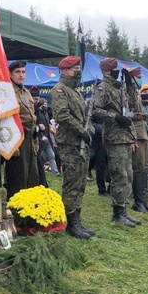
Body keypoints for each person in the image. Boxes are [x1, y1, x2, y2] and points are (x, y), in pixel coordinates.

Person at [51, 56, 95, 239]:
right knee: (72, 182)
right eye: (75, 68)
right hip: (69, 142)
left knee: (80, 181)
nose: (78, 71)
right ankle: (71, 223)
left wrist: (88, 129)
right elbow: (62, 116)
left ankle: (77, 219)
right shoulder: (60, 90)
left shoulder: (75, 91)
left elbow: (82, 116)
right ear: (65, 70)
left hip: (80, 143)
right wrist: (80, 130)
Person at [92, 57, 139, 227]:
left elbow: (134, 105)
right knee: (119, 174)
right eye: (114, 69)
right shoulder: (103, 88)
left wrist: (130, 84)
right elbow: (95, 110)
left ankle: (123, 209)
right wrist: (115, 117)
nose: (117, 71)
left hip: (125, 136)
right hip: (114, 137)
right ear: (106, 71)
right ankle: (117, 213)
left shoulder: (119, 88)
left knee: (128, 174)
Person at [4, 61, 40, 201]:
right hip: (17, 138)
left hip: (30, 136)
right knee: (18, 176)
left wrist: (35, 140)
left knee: (32, 176)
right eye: (17, 72)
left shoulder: (26, 92)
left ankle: (29, 209)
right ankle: (16, 211)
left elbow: (33, 117)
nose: (21, 75)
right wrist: (12, 144)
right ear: (10, 74)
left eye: (23, 72)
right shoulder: (8, 92)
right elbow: (6, 119)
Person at [127, 67, 148, 213]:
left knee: (144, 167)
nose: (140, 81)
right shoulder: (127, 93)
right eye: (137, 78)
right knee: (138, 167)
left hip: (143, 133)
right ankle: (138, 202)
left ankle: (143, 200)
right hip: (136, 134)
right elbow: (127, 114)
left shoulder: (136, 94)